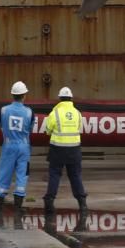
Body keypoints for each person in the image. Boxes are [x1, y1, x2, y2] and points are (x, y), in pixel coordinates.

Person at [44, 87, 87, 217]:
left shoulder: (55, 113)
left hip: (58, 149)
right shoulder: (77, 113)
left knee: (55, 175)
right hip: (74, 149)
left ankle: (50, 202)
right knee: (75, 176)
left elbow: (47, 130)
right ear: (71, 98)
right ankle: (82, 203)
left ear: (60, 98)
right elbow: (80, 130)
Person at [0, 81, 34, 211]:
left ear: (12, 95)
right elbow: (30, 128)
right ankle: (18, 206)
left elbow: (0, 125)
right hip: (23, 146)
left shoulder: (3, 110)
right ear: (24, 95)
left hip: (9, 145)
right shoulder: (29, 112)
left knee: (4, 172)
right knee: (22, 174)